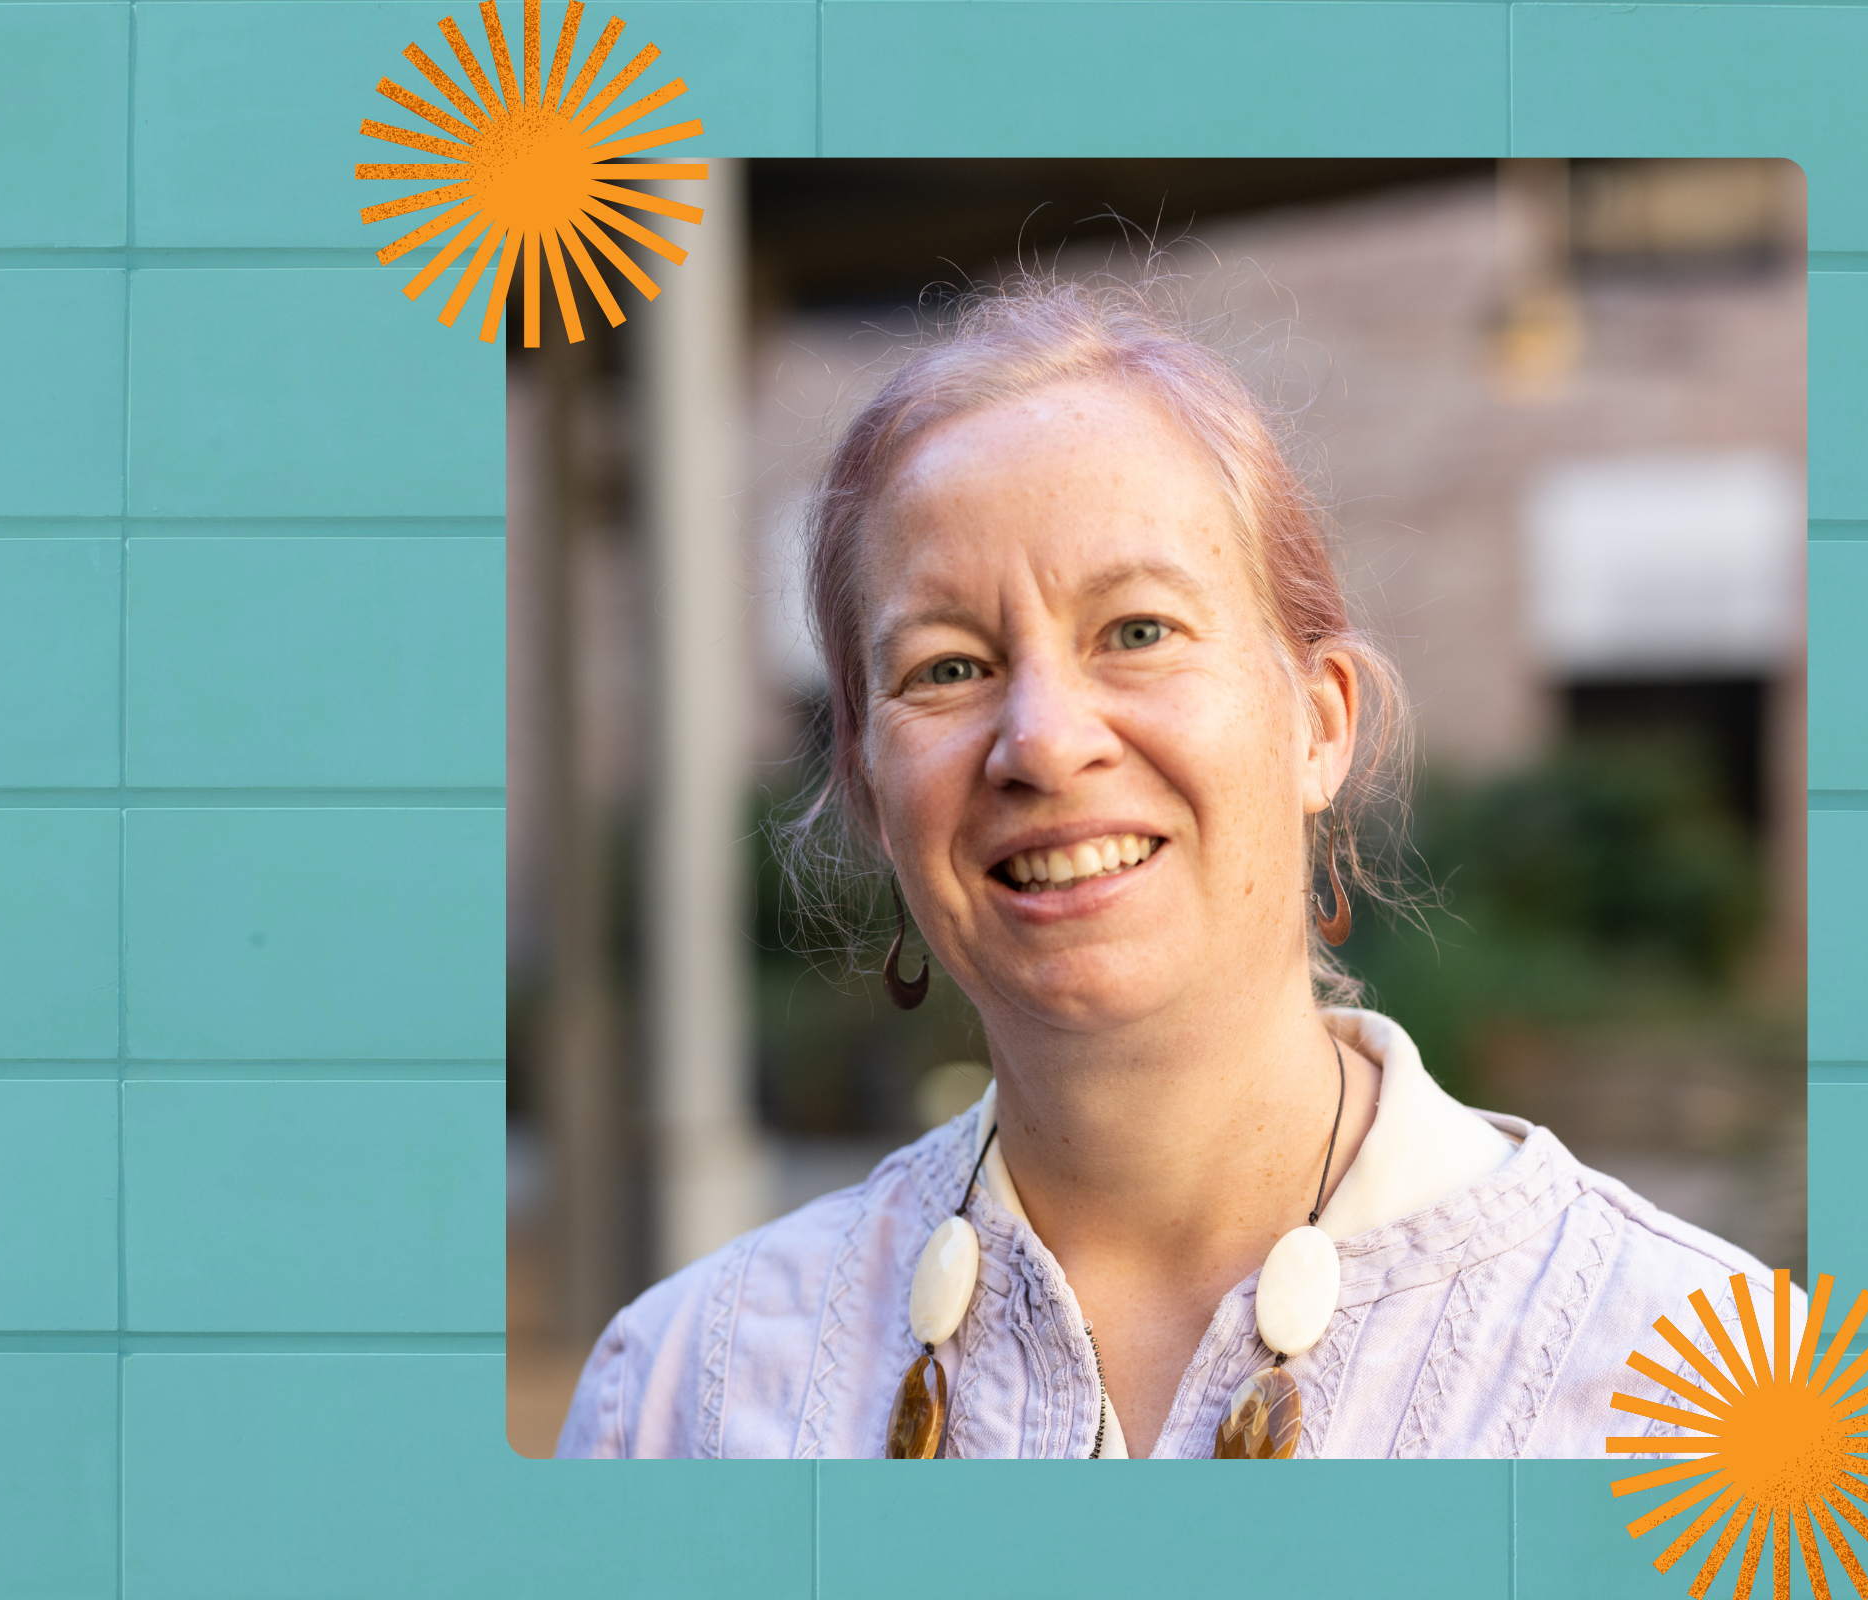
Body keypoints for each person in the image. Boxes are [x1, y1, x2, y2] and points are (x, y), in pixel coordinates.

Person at [556, 276, 1794, 1460]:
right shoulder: (681, 1395)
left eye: (1138, 631)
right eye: (946, 667)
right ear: (873, 789)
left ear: (1317, 722)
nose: (1040, 738)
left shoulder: (1698, 1397)